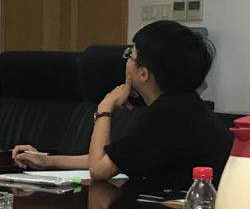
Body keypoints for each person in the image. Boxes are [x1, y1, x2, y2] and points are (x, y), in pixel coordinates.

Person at [12, 21, 232, 188]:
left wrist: (104, 108)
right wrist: (46, 161)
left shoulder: (166, 116)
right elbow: (113, 159)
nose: (126, 62)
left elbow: (99, 170)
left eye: (131, 55)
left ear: (143, 73)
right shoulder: (184, 107)